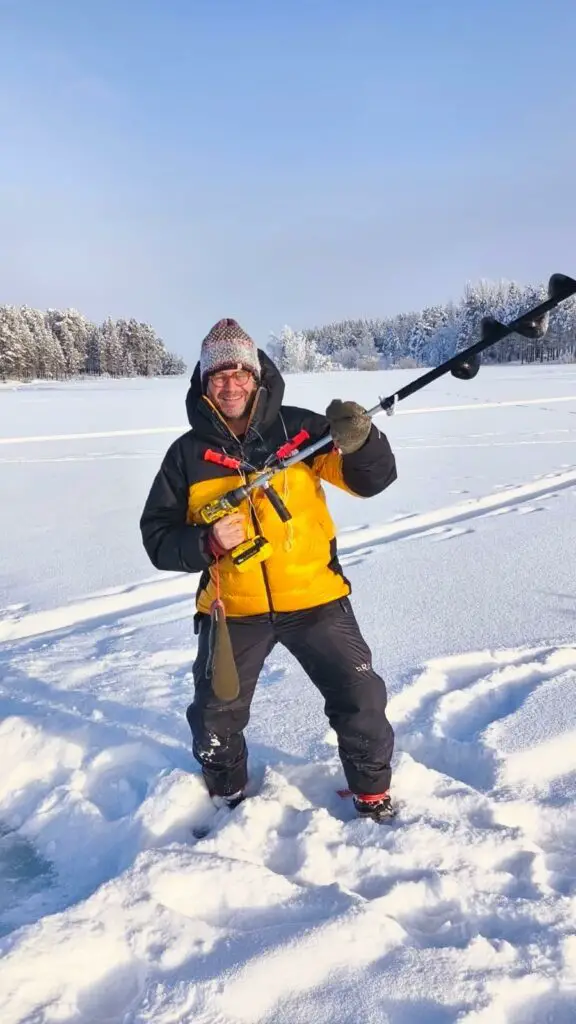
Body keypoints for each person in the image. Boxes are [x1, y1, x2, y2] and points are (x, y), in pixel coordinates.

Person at [140, 318, 398, 822]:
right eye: (219, 376)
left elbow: (373, 480)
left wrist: (363, 440)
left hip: (316, 598)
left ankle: (372, 794)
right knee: (216, 718)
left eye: (239, 373)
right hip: (232, 609)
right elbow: (157, 538)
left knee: (360, 695)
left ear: (257, 377)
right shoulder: (185, 457)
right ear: (204, 383)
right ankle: (228, 798)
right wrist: (207, 541)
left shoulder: (302, 431)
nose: (230, 384)